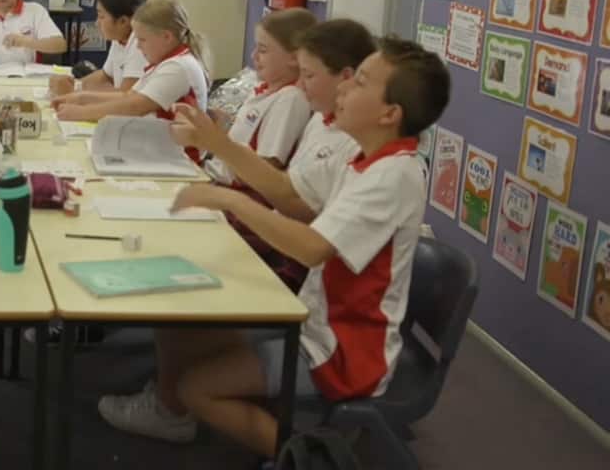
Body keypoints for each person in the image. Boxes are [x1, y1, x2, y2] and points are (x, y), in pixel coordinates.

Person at [106, 37, 451, 461]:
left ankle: (309, 458)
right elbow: (288, 194)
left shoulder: (392, 176)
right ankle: (172, 409)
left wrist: (230, 200)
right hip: (320, 322)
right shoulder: (367, 159)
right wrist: (217, 143)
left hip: (342, 352)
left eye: (360, 82)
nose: (344, 87)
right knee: (187, 324)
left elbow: (311, 248)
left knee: (195, 388)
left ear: (389, 114)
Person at [169, 18, 376, 290]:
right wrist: (213, 142)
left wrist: (228, 187)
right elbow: (286, 189)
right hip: (287, 250)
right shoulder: (320, 121)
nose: (301, 84)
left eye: (309, 76)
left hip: (295, 264)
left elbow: (305, 222)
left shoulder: (365, 151)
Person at [186, 8, 316, 187]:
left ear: (294, 58)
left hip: (231, 190)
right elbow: (242, 144)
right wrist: (221, 127)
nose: (253, 55)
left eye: (263, 50)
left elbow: (266, 168)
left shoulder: (291, 99)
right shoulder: (264, 91)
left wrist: (208, 138)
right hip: (213, 175)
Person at [51, 0, 208, 123]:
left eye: (142, 40)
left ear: (167, 37)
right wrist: (81, 97)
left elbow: (136, 106)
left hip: (177, 151)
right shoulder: (165, 63)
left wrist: (82, 112)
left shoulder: (178, 67)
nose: (138, 46)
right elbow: (127, 96)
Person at [49, 0, 147, 96]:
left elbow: (125, 97)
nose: (97, 23)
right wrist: (75, 84)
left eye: (101, 16)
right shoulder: (120, 38)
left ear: (123, 21)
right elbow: (105, 75)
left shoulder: (140, 45)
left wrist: (74, 92)